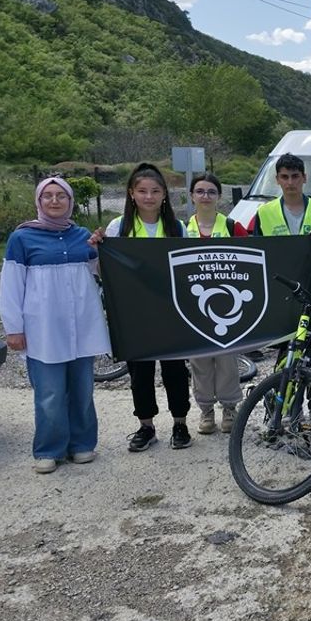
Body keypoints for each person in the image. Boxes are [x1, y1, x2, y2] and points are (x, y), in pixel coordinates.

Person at [0, 177, 111, 474]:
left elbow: (99, 273)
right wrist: (14, 328)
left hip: (81, 327)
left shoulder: (82, 235)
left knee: (82, 389)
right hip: (43, 329)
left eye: (61, 196)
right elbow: (11, 286)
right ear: (38, 201)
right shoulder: (22, 238)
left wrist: (100, 250)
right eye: (47, 196)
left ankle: (82, 444)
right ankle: (49, 449)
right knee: (49, 393)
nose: (54, 201)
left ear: (70, 201)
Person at [95, 163, 191, 452]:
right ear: (131, 194)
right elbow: (104, 270)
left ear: (164, 195)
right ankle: (146, 425)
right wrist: (98, 247)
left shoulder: (177, 227)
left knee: (175, 369)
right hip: (134, 311)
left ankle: (180, 423)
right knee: (140, 372)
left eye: (155, 191)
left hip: (169, 310)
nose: (149, 196)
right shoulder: (118, 227)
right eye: (142, 191)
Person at [184, 172, 249, 435]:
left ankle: (230, 408)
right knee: (199, 362)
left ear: (219, 196)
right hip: (193, 307)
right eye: (200, 191)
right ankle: (206, 410)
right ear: (191, 196)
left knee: (226, 360)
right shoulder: (180, 229)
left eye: (211, 191)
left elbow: (252, 261)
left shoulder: (234, 227)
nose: (205, 196)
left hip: (227, 305)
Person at [248, 153, 311, 236]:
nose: (290, 182)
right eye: (284, 177)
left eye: (295, 176)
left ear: (304, 178)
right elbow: (257, 247)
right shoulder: (264, 212)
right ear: (277, 179)